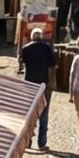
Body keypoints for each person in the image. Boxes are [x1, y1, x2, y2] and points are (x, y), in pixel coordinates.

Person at [20, 22, 57, 150]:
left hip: (29, 83)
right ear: (41, 37)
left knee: (30, 113)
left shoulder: (25, 48)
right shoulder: (47, 48)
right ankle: (42, 143)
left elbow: (22, 63)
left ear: (31, 37)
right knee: (44, 112)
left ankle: (28, 141)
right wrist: (51, 82)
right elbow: (52, 66)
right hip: (43, 84)